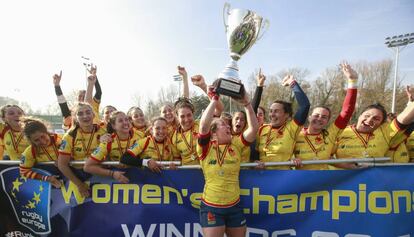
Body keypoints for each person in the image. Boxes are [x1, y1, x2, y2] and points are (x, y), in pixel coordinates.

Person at [197, 86, 258, 237]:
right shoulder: (205, 148)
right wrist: (214, 99)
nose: (228, 126)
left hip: (234, 206)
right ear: (213, 133)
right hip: (212, 207)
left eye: (227, 124)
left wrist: (247, 104)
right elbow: (203, 126)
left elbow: (254, 129)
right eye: (223, 125)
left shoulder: (236, 144)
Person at [292, 63, 358, 170]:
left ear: (327, 121)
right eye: (316, 115)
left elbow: (347, 111)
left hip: (323, 183)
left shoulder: (330, 134)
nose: (319, 119)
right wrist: (292, 161)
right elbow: (283, 156)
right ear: (309, 117)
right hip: (301, 183)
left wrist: (352, 81)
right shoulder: (296, 134)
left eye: (324, 117)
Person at [334, 96, 414, 168]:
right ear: (360, 115)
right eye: (367, 115)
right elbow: (326, 155)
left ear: (381, 124)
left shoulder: (385, 132)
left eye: (376, 119)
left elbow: (404, 118)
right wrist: (347, 166)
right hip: (342, 181)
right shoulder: (340, 131)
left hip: (375, 181)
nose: (369, 120)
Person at [256, 75, 310, 169]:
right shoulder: (262, 129)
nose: (272, 114)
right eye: (271, 111)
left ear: (287, 115)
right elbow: (255, 153)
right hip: (262, 176)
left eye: (276, 111)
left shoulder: (292, 128)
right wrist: (255, 162)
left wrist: (292, 83)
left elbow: (304, 105)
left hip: (283, 177)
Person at [58, 102, 107, 197]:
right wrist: (80, 185)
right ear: (75, 117)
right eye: (80, 114)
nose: (85, 116)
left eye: (88, 112)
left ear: (93, 115)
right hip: (77, 176)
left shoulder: (103, 132)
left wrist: (104, 144)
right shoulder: (70, 135)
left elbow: (109, 158)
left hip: (99, 175)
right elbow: (62, 164)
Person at [84, 111, 140, 183]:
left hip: (136, 173)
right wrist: (112, 174)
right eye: (120, 121)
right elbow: (87, 167)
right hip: (118, 175)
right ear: (114, 126)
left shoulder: (140, 136)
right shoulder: (108, 141)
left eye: (126, 119)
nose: (125, 122)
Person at [19, 118, 62, 188]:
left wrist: (65, 159)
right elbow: (24, 172)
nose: (42, 141)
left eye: (43, 136)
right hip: (49, 183)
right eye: (36, 140)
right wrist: (46, 178)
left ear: (46, 132)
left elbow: (75, 153)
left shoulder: (60, 139)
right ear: (31, 141)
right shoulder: (30, 151)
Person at [171, 97, 200, 165]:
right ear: (177, 117)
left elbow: (218, 111)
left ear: (193, 113)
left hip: (205, 170)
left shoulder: (201, 125)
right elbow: (177, 159)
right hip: (187, 172)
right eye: (182, 116)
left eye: (189, 115)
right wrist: (174, 165)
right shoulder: (174, 137)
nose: (186, 120)